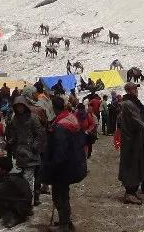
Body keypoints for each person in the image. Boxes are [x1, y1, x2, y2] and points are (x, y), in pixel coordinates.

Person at [39, 95, 87, 230]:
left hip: (62, 168)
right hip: (73, 163)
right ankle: (65, 221)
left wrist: (50, 168)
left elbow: (60, 152)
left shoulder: (60, 126)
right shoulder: (71, 118)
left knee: (59, 196)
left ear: (53, 108)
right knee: (64, 194)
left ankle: (64, 225)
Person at [5, 96, 45, 206]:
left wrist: (35, 146)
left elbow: (40, 133)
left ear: (25, 106)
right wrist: (10, 142)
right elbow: (14, 135)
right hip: (20, 153)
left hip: (32, 153)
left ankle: (34, 199)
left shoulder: (33, 118)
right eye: (17, 106)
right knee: (24, 178)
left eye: (21, 106)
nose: (19, 108)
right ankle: (26, 199)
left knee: (34, 178)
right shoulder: (15, 119)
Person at [116, 82, 144, 205]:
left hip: (135, 138)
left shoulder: (131, 102)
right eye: (135, 89)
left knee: (135, 163)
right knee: (131, 164)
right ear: (130, 90)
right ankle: (129, 193)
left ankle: (132, 191)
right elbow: (136, 120)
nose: (137, 90)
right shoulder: (128, 104)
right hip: (131, 140)